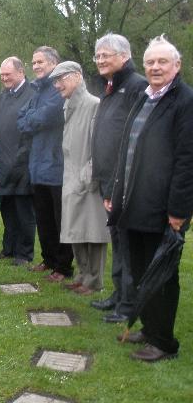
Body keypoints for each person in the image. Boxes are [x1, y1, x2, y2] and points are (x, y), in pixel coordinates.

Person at [108, 35, 193, 362]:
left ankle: (163, 342)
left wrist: (178, 210)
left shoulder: (184, 101)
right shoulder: (145, 98)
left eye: (162, 62)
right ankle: (148, 326)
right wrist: (117, 194)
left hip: (163, 208)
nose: (155, 67)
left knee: (162, 274)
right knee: (142, 269)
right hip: (135, 202)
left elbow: (187, 159)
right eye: (151, 62)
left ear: (177, 65)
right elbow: (127, 151)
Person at [89, 34, 147, 323]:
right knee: (117, 239)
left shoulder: (137, 86)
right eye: (97, 55)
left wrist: (116, 183)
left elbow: (135, 140)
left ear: (124, 56)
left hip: (123, 182)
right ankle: (117, 294)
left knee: (126, 243)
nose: (100, 60)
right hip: (107, 180)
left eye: (106, 55)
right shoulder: (110, 87)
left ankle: (128, 305)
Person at [51, 61, 109, 295]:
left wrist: (88, 176)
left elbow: (102, 146)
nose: (57, 85)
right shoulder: (68, 106)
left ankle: (94, 281)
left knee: (92, 232)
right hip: (71, 177)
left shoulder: (94, 105)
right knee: (75, 229)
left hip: (88, 180)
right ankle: (82, 275)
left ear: (76, 76)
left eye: (60, 79)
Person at [17, 46, 73, 281]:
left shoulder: (57, 90)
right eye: (34, 62)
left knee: (61, 220)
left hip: (56, 164)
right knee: (44, 218)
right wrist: (33, 119)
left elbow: (47, 116)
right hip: (37, 165)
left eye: (40, 62)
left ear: (53, 63)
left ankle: (63, 266)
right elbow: (22, 119)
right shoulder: (37, 91)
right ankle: (48, 258)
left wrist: (33, 119)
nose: (36, 66)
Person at [0, 57, 36, 265]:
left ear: (21, 72)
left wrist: (20, 158)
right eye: (2, 75)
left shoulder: (32, 94)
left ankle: (24, 253)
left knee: (24, 211)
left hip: (23, 164)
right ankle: (8, 248)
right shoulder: (4, 95)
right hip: (3, 163)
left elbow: (31, 132)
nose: (4, 78)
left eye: (8, 74)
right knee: (7, 209)